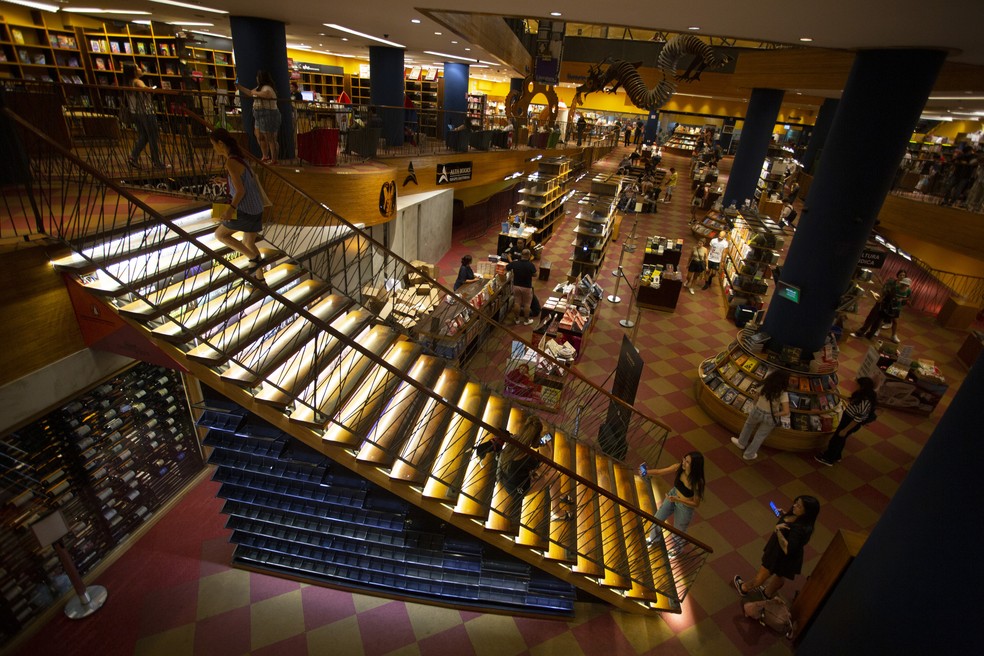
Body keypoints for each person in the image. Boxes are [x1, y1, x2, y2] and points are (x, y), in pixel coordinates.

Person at [734, 495, 821, 599]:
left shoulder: (799, 530)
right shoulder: (802, 521)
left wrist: (778, 530)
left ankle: (744, 588)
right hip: (790, 558)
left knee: (761, 577)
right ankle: (768, 593)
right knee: (780, 575)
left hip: (778, 553)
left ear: (807, 512)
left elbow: (787, 548)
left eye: (799, 506)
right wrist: (784, 516)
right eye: (796, 502)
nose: (794, 506)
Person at [209, 128, 267, 278]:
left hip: (246, 210)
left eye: (214, 145)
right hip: (257, 208)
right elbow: (243, 181)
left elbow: (240, 191)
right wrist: (226, 180)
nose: (214, 149)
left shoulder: (230, 162)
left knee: (220, 234)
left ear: (220, 143)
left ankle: (253, 259)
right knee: (248, 242)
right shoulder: (239, 158)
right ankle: (260, 279)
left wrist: (230, 209)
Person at [496, 415, 571, 523]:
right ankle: (556, 512)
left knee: (545, 474)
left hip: (507, 477)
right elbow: (545, 471)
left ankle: (557, 493)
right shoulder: (527, 457)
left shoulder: (513, 438)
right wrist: (550, 449)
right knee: (554, 475)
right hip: (516, 489)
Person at [645, 452, 706, 555]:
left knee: (678, 531)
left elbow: (695, 503)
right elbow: (660, 472)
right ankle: (653, 538)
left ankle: (677, 549)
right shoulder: (679, 467)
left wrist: (678, 500)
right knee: (657, 519)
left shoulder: (697, 482)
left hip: (685, 507)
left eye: (687, 462)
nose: (683, 462)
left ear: (694, 466)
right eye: (684, 459)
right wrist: (646, 472)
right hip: (673, 495)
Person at [816, 377, 878, 466]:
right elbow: (850, 400)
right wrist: (835, 393)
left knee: (836, 440)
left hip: (850, 422)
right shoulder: (861, 395)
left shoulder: (865, 402)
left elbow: (857, 419)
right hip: (847, 419)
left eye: (857, 384)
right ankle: (836, 456)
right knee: (840, 439)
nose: (854, 385)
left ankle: (828, 458)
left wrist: (845, 430)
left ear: (862, 387)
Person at [731, 370, 791, 461]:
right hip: (770, 416)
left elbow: (756, 397)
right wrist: (775, 414)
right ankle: (749, 455)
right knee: (760, 436)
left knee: (748, 426)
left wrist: (755, 406)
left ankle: (741, 443)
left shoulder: (764, 385)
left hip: (757, 410)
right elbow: (786, 411)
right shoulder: (783, 393)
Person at [122, 63, 165, 169]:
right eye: (137, 67)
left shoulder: (128, 82)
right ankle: (156, 161)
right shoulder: (137, 81)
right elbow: (146, 90)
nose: (140, 69)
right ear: (133, 71)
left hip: (135, 113)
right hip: (146, 112)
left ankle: (133, 156)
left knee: (144, 136)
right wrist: (152, 89)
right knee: (153, 136)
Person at [852, 270, 912, 343]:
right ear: (897, 275)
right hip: (882, 302)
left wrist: (901, 300)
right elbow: (884, 291)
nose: (902, 277)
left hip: (890, 307)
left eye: (904, 275)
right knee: (871, 317)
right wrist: (881, 299)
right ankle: (860, 333)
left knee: (879, 320)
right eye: (901, 275)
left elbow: (907, 298)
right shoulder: (891, 282)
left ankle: (870, 335)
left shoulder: (906, 289)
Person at [237, 70, 281, 165]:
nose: (256, 78)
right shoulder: (259, 87)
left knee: (270, 138)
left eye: (258, 77)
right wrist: (239, 87)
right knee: (259, 136)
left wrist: (255, 93)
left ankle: (274, 159)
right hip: (258, 114)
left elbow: (267, 95)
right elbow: (250, 92)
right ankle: (265, 156)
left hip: (268, 114)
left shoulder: (267, 88)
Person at [506, 249, 537, 325]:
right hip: (527, 287)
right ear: (529, 256)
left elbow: (507, 267)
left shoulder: (515, 263)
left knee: (517, 302)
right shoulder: (530, 265)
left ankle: (517, 319)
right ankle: (526, 321)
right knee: (527, 304)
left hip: (516, 286)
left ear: (521, 255)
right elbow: (535, 274)